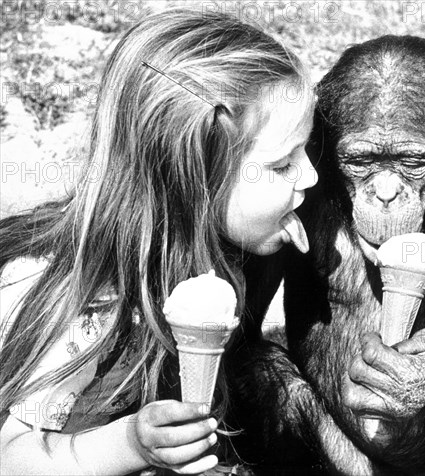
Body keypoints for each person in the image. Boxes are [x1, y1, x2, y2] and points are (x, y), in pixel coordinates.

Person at [0, 9, 316, 475]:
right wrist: (130, 445)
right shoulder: (91, 298)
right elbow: (11, 458)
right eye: (282, 164)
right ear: (193, 180)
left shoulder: (223, 250)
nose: (310, 175)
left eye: (307, 150)